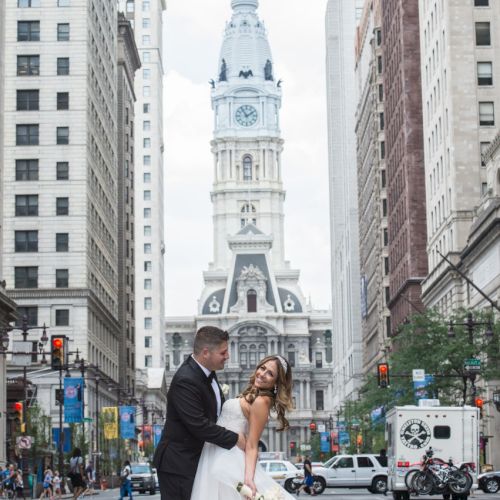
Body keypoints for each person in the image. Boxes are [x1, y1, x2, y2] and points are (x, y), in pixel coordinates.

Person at [190, 354, 295, 500]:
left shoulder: (261, 401)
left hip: (228, 460)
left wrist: (248, 479)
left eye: (270, 373)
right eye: (262, 368)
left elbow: (252, 445)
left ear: (276, 383)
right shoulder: (253, 395)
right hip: (216, 454)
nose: (262, 374)